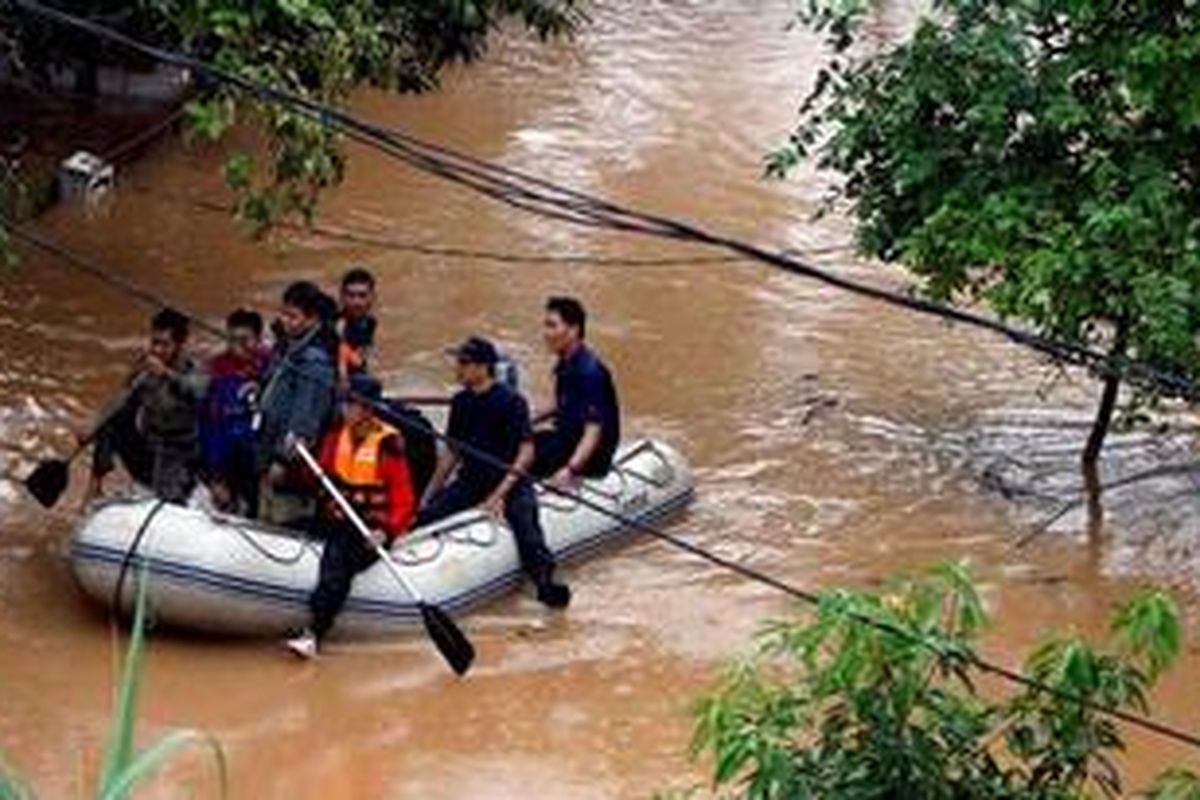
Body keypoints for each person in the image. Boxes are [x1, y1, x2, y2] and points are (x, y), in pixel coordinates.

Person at [417, 336, 570, 608]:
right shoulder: (461, 402)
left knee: (527, 529)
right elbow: (451, 453)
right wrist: (429, 493)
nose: (458, 369)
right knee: (427, 515)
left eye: (464, 363)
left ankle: (545, 584)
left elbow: (526, 452)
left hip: (511, 481)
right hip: (471, 481)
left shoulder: (512, 402)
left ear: (483, 367)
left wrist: (500, 494)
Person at [286, 374, 417, 659]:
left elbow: (404, 500)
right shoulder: (336, 437)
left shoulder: (388, 446)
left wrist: (386, 531)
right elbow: (315, 478)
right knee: (288, 528)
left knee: (337, 561)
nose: (344, 409)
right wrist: (299, 459)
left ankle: (314, 633)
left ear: (368, 410)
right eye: (345, 403)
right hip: (336, 519)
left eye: (351, 404)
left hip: (369, 530)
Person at [88, 308, 209, 504]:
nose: (157, 350)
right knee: (112, 419)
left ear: (180, 345)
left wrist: (166, 375)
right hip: (149, 448)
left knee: (170, 501)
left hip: (180, 456)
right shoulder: (144, 368)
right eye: (154, 343)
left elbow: (198, 392)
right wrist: (91, 429)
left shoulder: (196, 370)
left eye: (164, 345)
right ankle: (93, 489)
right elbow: (121, 397)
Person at [257, 281, 337, 525]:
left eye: (293, 316)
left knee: (284, 524)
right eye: (284, 314)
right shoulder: (287, 349)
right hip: (268, 449)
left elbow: (306, 420)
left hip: (291, 467)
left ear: (312, 320)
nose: (285, 321)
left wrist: (283, 461)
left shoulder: (314, 363)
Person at [533, 297, 621, 488]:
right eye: (545, 326)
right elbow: (562, 403)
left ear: (573, 330)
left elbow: (593, 431)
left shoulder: (590, 373)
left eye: (552, 326)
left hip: (591, 456)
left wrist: (571, 470)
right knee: (516, 443)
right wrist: (527, 419)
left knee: (524, 457)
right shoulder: (566, 362)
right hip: (565, 439)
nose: (545, 333)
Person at [199, 309, 267, 515]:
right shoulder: (216, 370)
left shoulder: (272, 368)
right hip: (225, 464)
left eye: (245, 340)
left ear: (258, 339)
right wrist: (214, 478)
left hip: (260, 465)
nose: (238, 347)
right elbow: (208, 426)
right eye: (232, 340)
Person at [337, 267, 378, 386]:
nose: (356, 302)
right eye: (351, 295)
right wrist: (343, 378)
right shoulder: (338, 323)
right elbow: (342, 351)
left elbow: (364, 353)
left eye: (362, 295)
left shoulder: (370, 322)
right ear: (342, 297)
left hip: (357, 375)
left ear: (372, 297)